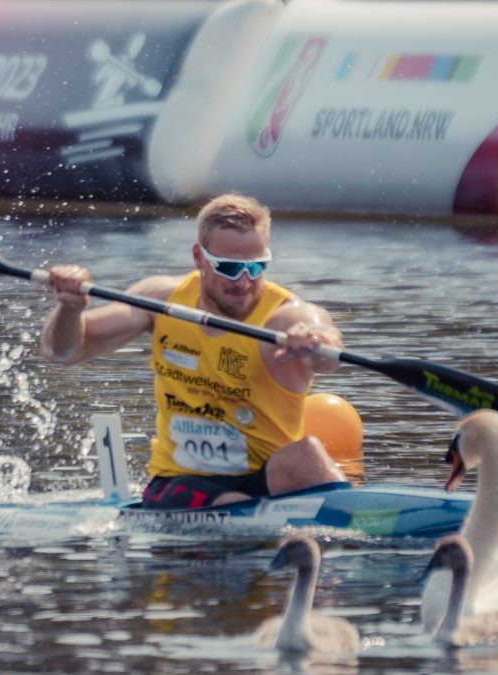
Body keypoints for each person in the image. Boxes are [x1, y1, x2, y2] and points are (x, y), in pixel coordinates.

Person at [41, 193, 347, 509]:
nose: (244, 281)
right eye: (229, 268)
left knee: (306, 453)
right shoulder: (161, 301)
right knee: (233, 501)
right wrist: (70, 308)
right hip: (179, 481)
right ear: (199, 258)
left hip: (261, 475)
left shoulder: (284, 317)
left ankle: (352, 518)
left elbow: (326, 348)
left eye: (256, 267)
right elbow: (63, 351)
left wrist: (315, 340)